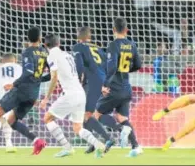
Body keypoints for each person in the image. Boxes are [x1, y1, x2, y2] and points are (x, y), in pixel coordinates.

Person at [0, 27, 49, 155]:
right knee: (11, 121)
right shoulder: (45, 53)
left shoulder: (26, 53)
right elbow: (48, 76)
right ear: (40, 38)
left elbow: (27, 73)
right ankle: (37, 140)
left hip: (19, 91)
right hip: (33, 93)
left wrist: (13, 84)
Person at [40, 34, 105, 158]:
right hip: (80, 93)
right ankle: (98, 144)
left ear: (45, 45)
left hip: (70, 94)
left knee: (47, 118)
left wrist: (47, 97)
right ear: (59, 44)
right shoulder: (68, 55)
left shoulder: (52, 55)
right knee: (77, 128)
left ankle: (67, 148)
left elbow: (53, 77)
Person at [94, 17, 143, 157]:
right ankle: (135, 146)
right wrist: (125, 70)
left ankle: (120, 130)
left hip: (114, 87)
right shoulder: (132, 44)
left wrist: (105, 85)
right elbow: (138, 65)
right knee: (122, 117)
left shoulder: (113, 45)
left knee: (97, 115)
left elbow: (112, 68)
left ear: (113, 30)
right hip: (126, 88)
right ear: (127, 30)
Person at [72, 26, 118, 154]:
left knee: (87, 115)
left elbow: (79, 67)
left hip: (92, 82)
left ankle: (108, 139)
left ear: (78, 36)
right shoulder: (98, 48)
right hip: (102, 81)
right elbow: (107, 66)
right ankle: (92, 143)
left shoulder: (77, 47)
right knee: (88, 113)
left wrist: (78, 81)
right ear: (89, 36)